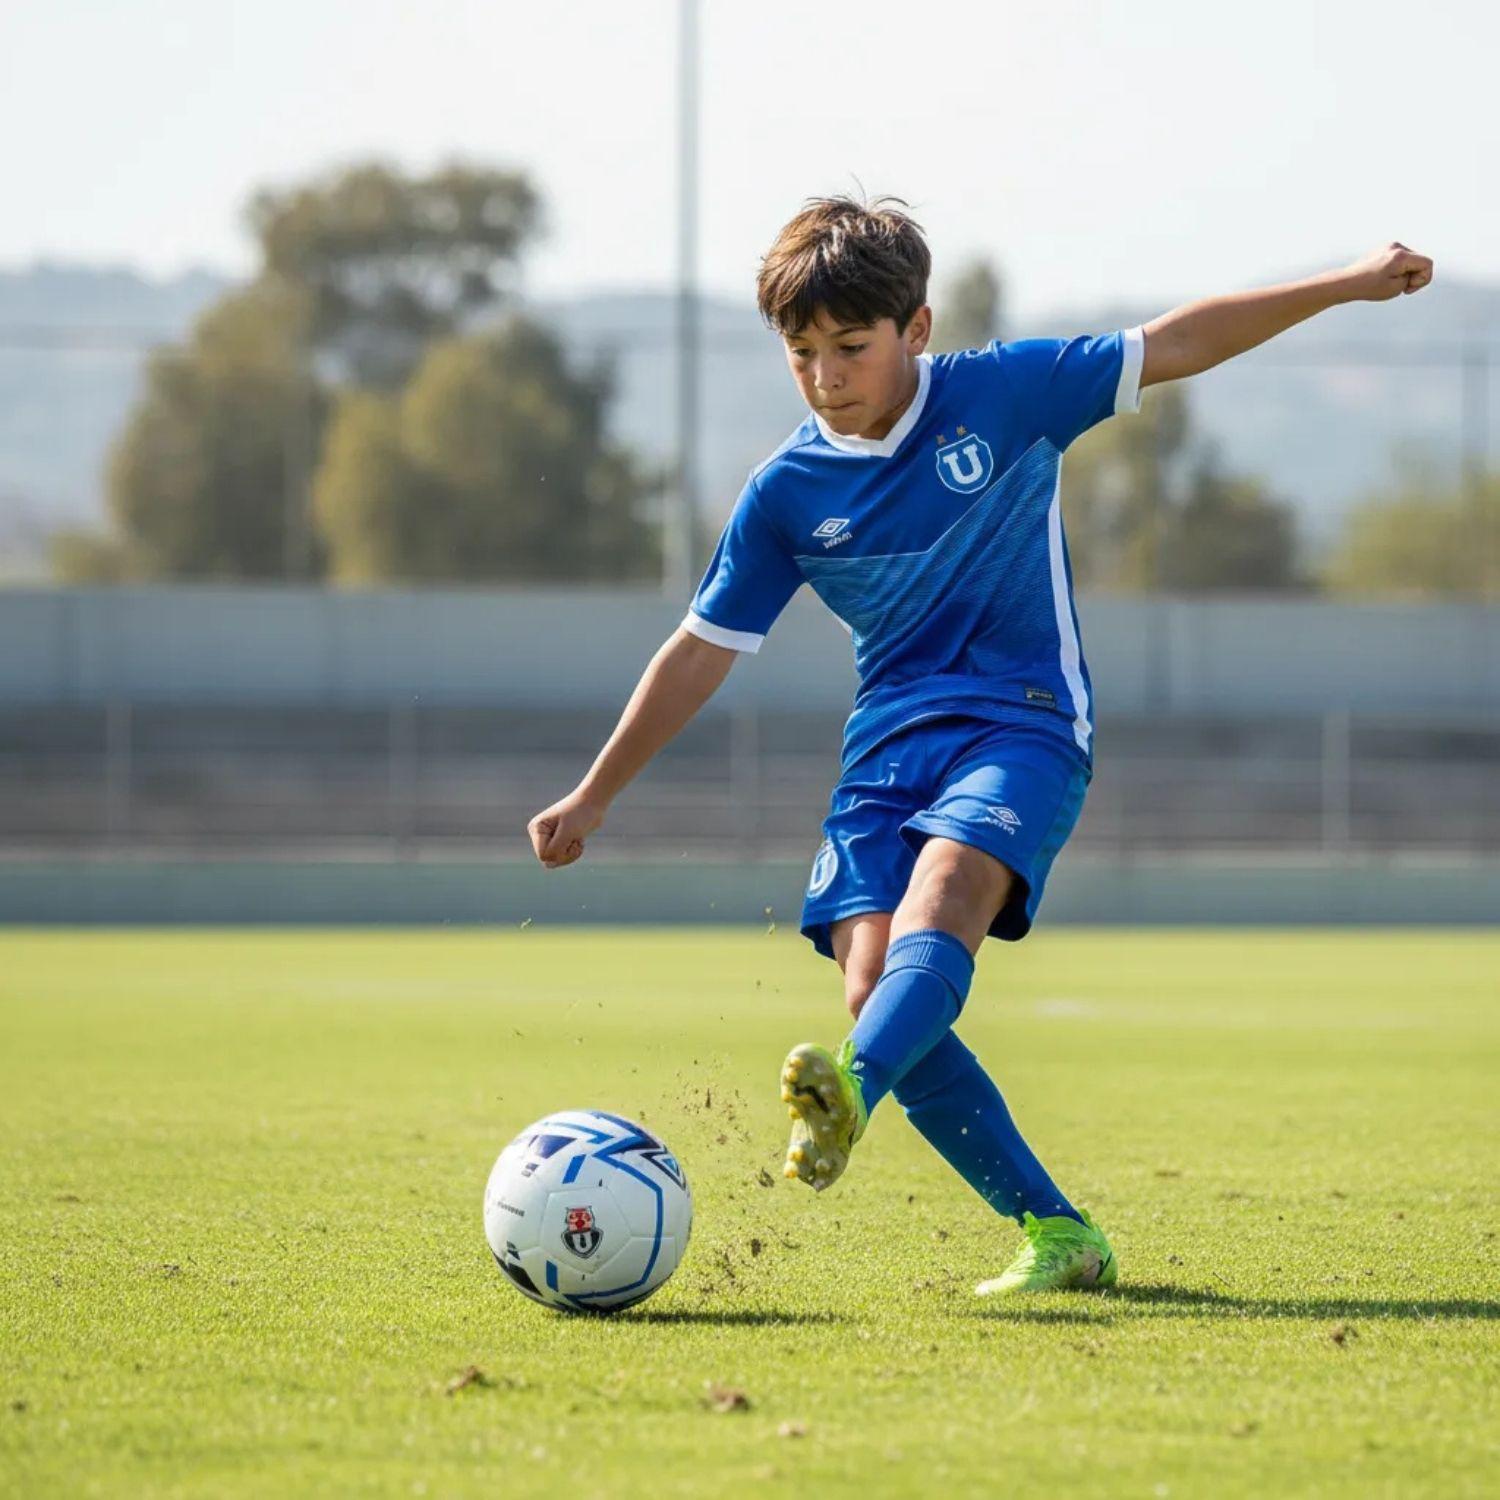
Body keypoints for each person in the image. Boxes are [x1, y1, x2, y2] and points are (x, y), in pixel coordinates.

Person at [527, 197, 1432, 1295]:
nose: (825, 374)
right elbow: (699, 650)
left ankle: (848, 1096)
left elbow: (1180, 339)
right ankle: (1058, 1234)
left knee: (948, 889)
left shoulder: (1005, 392)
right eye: (801, 354)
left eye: (850, 347)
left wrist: (1342, 281)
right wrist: (596, 793)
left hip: (1024, 721)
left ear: (916, 329)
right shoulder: (787, 494)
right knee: (873, 993)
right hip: (885, 750)